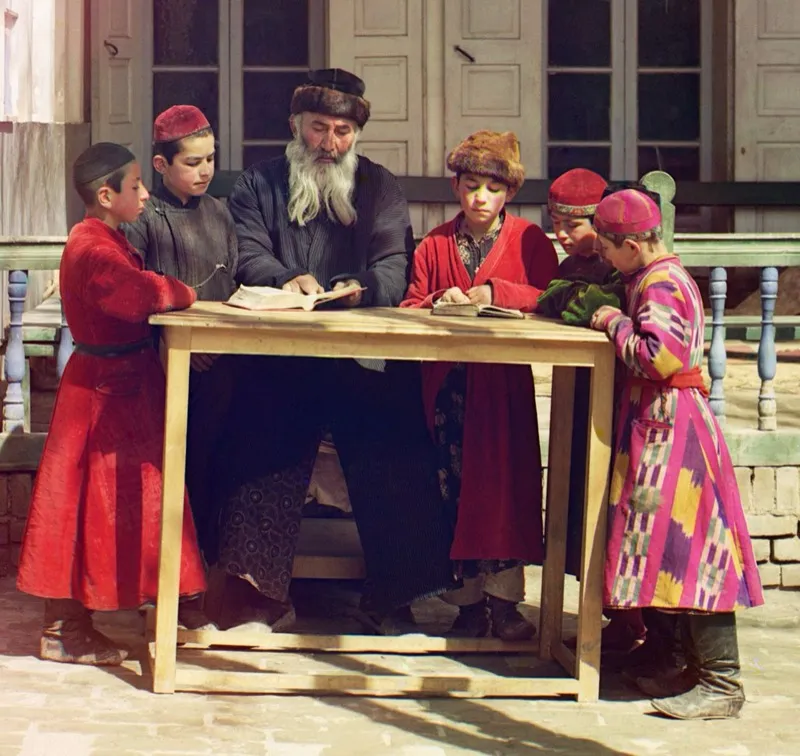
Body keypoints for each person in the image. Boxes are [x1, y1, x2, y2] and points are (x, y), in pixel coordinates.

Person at [212, 68, 458, 633]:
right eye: (319, 128)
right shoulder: (257, 185)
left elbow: (396, 262)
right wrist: (287, 278)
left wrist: (362, 287)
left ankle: (395, 595)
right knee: (259, 448)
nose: (329, 144)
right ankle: (255, 596)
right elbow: (248, 255)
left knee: (392, 449)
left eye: (342, 131)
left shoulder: (380, 186)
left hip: (362, 351)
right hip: (279, 355)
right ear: (296, 126)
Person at [16, 142, 210, 666]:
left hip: (120, 387)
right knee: (83, 507)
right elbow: (137, 295)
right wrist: (180, 291)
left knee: (127, 502)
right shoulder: (92, 246)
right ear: (106, 195)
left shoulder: (103, 236)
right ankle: (66, 630)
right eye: (135, 186)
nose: (146, 194)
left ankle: (154, 601)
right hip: (103, 395)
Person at [589, 189, 764, 720]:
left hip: (674, 430)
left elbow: (658, 356)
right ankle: (672, 661)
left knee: (690, 552)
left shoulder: (661, 282)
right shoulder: (647, 276)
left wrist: (613, 322)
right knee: (658, 549)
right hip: (657, 424)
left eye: (607, 245)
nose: (603, 254)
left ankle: (720, 683)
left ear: (633, 243)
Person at [401, 130, 558, 640]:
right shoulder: (434, 244)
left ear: (509, 194)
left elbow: (550, 295)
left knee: (505, 490)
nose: (480, 199)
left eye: (492, 189)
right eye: (470, 186)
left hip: (502, 389)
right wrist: (436, 303)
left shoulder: (529, 240)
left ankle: (505, 603)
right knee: (452, 488)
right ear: (456, 187)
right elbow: (410, 305)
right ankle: (465, 603)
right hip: (448, 390)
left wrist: (496, 291)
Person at [123, 105, 239, 560]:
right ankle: (168, 574)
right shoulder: (144, 219)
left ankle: (208, 569)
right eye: (192, 162)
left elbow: (236, 278)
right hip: (168, 369)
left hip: (225, 366)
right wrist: (177, 347)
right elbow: (134, 295)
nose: (205, 170)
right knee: (176, 473)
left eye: (210, 159)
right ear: (160, 165)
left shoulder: (219, 213)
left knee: (217, 468)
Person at [538, 169, 646, 655]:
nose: (562, 234)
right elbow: (553, 300)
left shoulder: (619, 272)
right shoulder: (568, 265)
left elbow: (580, 305)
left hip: (618, 404)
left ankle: (633, 625)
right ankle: (602, 618)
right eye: (555, 222)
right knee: (580, 503)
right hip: (578, 401)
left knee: (613, 511)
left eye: (573, 224)